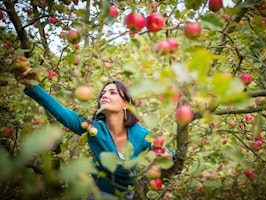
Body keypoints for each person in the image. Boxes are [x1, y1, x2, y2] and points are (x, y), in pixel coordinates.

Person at [15, 68, 176, 200]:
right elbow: (62, 113)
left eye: (112, 92)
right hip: (101, 193)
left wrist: (169, 155)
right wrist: (31, 86)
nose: (105, 95)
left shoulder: (140, 133)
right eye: (103, 93)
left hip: (129, 193)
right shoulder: (93, 129)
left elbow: (165, 152)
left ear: (126, 104)